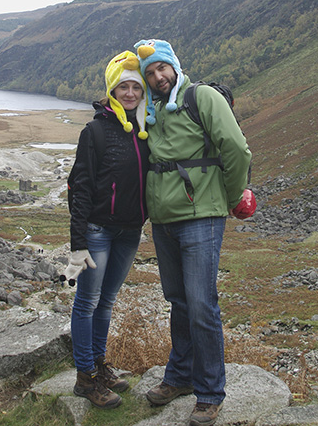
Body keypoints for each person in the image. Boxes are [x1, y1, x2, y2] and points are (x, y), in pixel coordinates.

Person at [134, 38, 253, 426]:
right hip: (164, 220)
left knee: (202, 304)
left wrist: (231, 196)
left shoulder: (200, 97)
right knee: (179, 302)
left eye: (162, 68)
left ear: (175, 66)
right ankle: (180, 377)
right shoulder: (148, 110)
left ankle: (209, 393)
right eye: (150, 72)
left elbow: (236, 148)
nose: (158, 77)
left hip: (202, 215)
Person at [64, 50, 150, 409]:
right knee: (86, 303)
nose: (130, 93)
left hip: (129, 232)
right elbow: (79, 187)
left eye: (136, 87)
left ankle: (100, 366)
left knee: (107, 301)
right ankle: (85, 378)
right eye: (123, 87)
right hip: (97, 231)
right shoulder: (95, 131)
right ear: (112, 91)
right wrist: (77, 243)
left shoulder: (147, 129)